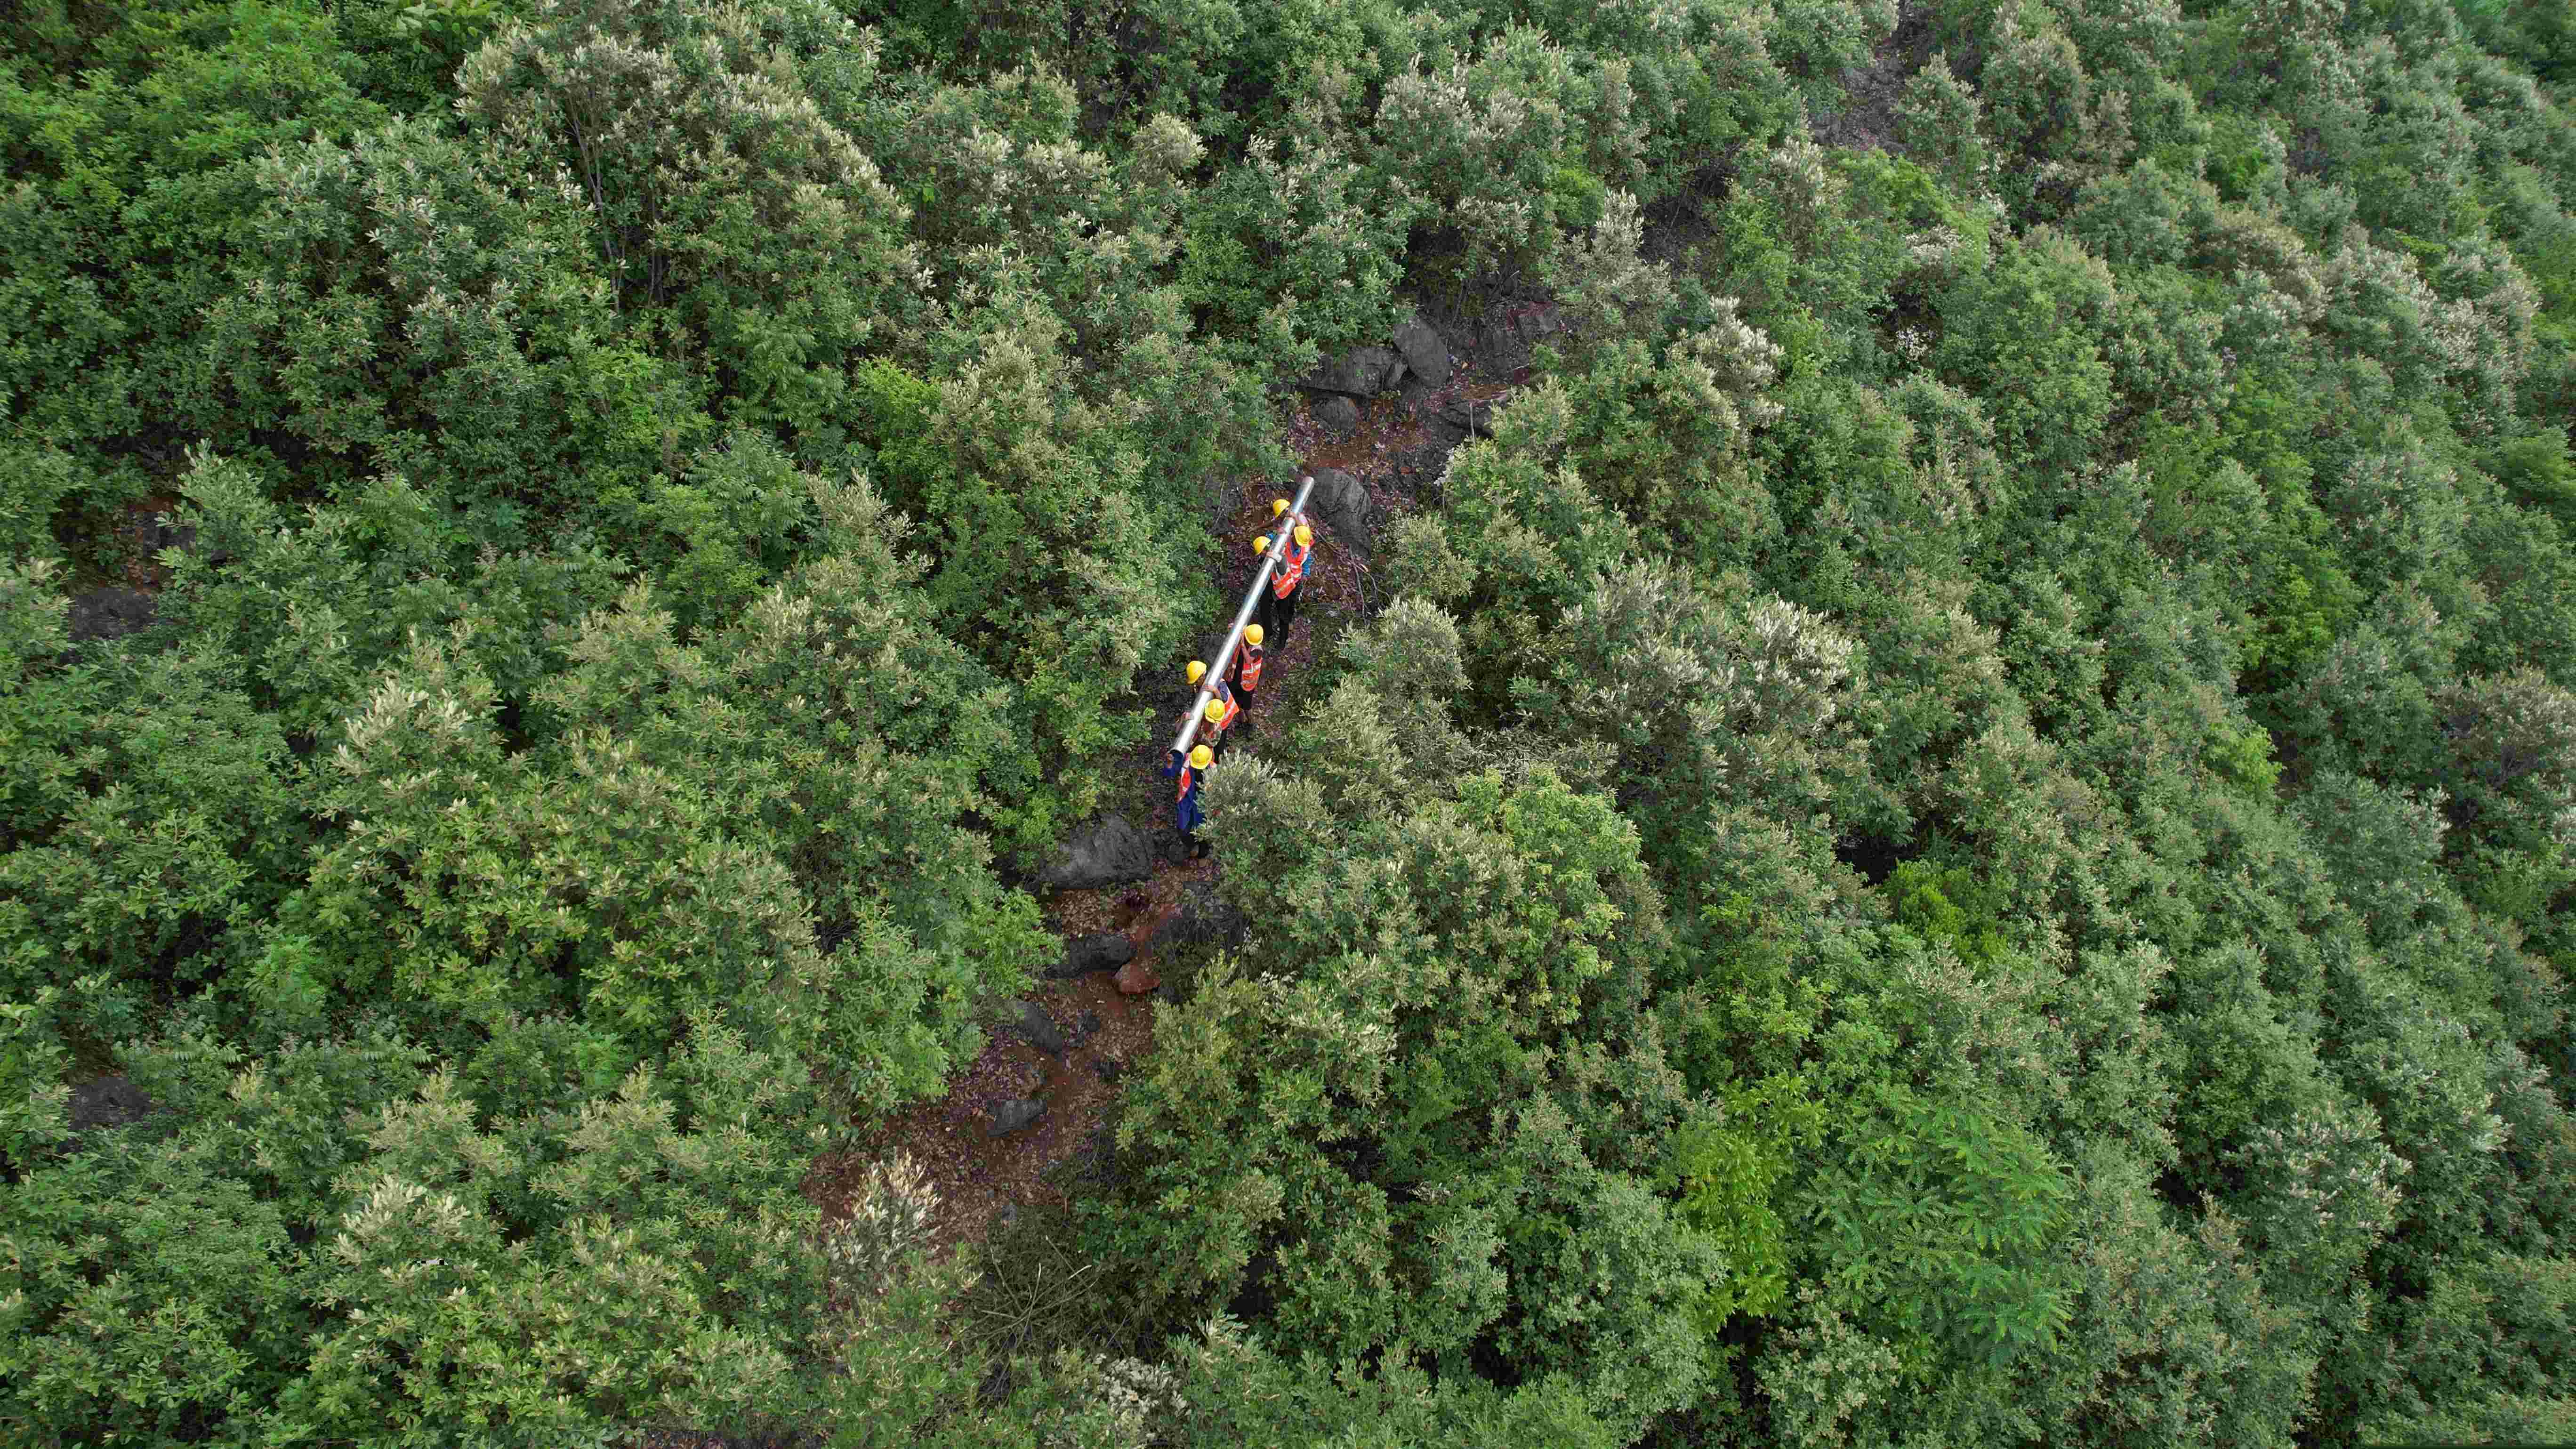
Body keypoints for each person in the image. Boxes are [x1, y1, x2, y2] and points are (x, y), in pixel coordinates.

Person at [1161, 742, 1215, 859]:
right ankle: (1192, 845)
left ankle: (1203, 855)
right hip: (1187, 802)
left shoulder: (1215, 769)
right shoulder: (1186, 759)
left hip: (1204, 804)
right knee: (1183, 829)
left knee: (1204, 832)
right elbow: (1169, 774)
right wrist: (1169, 763)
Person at [1228, 623, 1265, 717]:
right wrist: (1233, 628)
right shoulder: (1247, 633)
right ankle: (1242, 717)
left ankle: (1250, 722)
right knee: (1236, 697)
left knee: (1247, 705)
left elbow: (1248, 660)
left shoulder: (1257, 650)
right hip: (1236, 675)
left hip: (1248, 682)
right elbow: (1238, 628)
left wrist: (1243, 645)